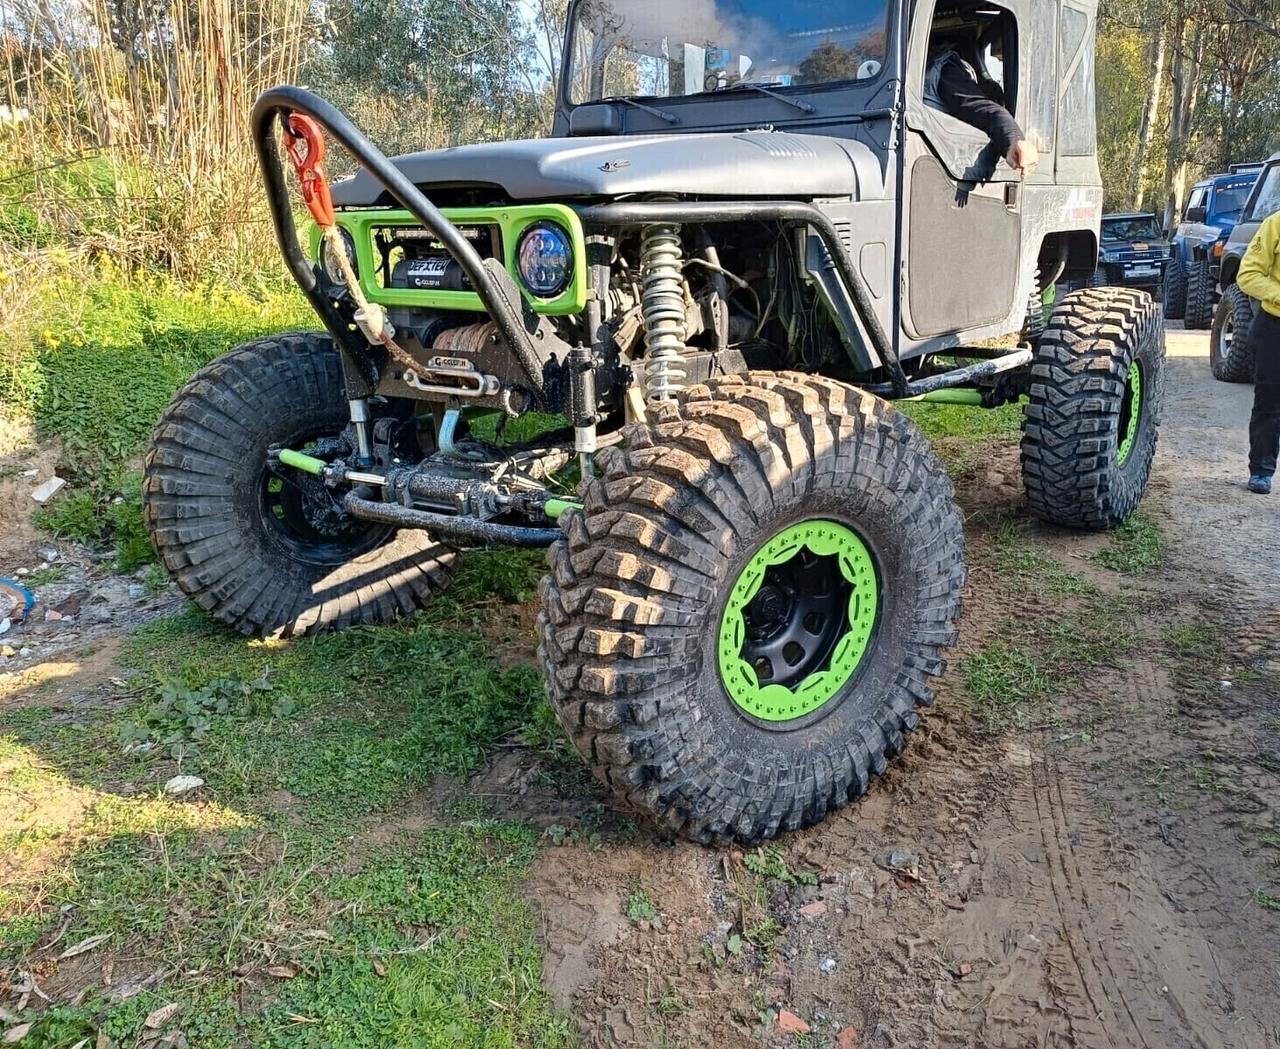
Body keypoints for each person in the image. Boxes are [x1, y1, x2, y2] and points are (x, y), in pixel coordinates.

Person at [925, 42, 1038, 177]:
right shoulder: (945, 70)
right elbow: (981, 108)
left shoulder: (926, 70)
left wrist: (1014, 140)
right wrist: (1014, 139)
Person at [1236, 208, 1280, 494]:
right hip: (1274, 327)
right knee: (1269, 403)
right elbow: (1248, 274)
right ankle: (1262, 470)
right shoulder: (1275, 223)